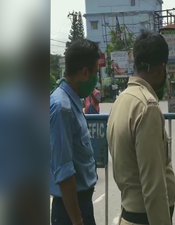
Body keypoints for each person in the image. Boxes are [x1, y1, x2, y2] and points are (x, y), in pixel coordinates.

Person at [107, 30, 175, 225]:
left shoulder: (122, 100)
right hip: (145, 219)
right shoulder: (147, 107)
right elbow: (153, 187)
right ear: (160, 68)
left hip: (129, 213)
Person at [50, 39, 101, 225]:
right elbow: (64, 171)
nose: (96, 79)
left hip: (81, 204)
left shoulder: (73, 102)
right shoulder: (62, 108)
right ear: (85, 72)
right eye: (96, 73)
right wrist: (77, 221)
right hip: (70, 211)